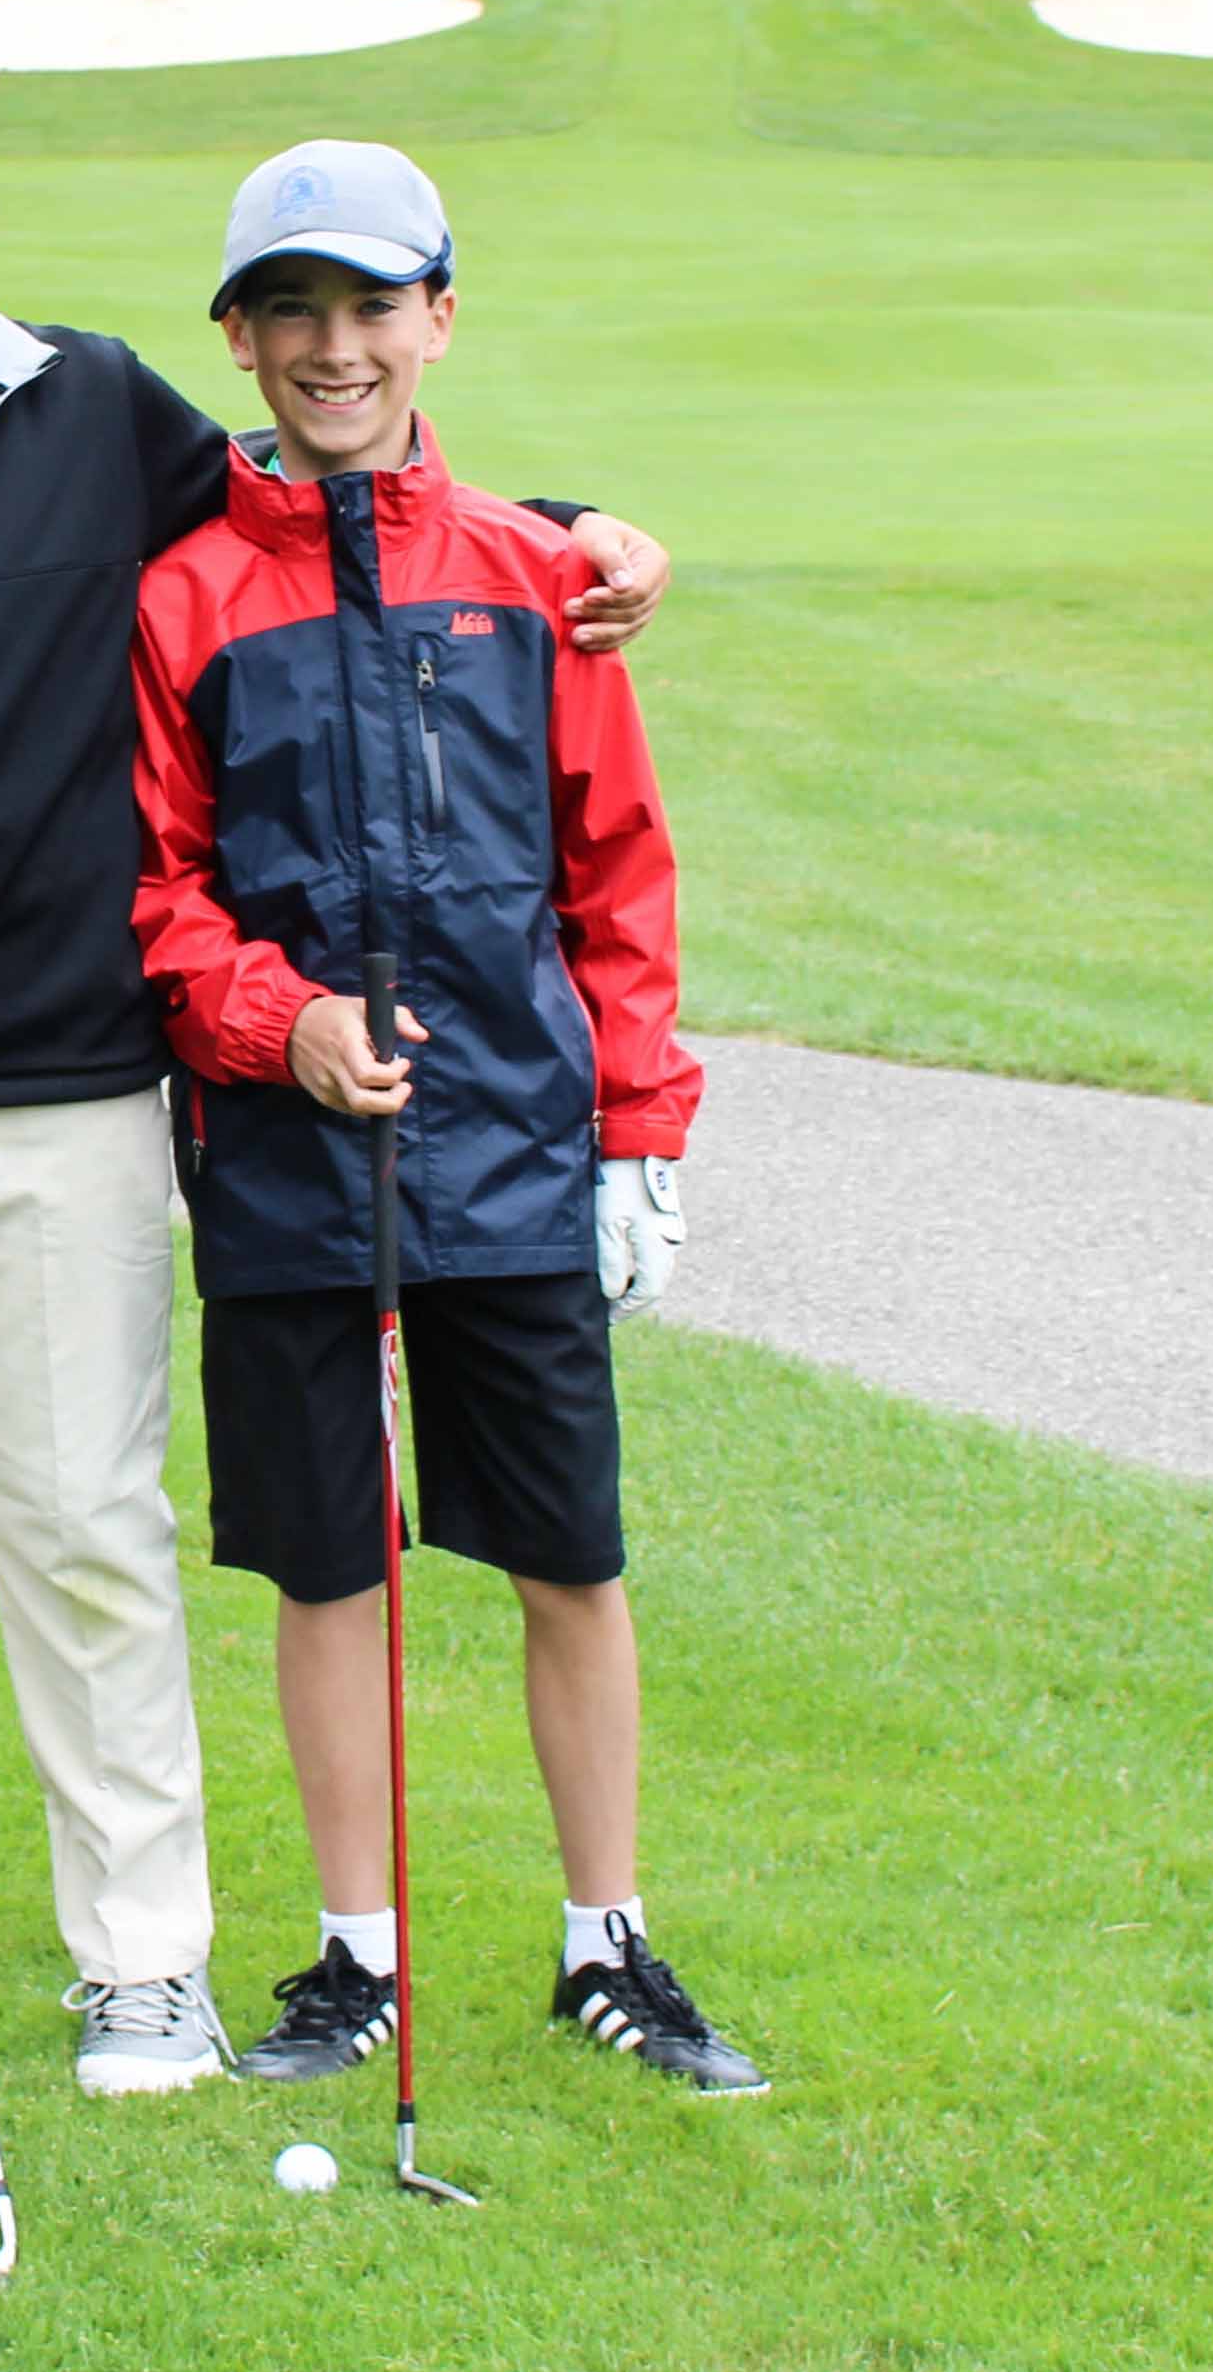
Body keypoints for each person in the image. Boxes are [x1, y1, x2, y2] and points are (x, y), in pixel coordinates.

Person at [0, 2, 682, 2121]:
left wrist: (572, 534)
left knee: (86, 1527)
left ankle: (142, 1962)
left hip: (74, 1089)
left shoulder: (93, 407)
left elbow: (331, 498)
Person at [129, 138, 763, 2099]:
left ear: (439, 320)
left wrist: (639, 1135)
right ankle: (356, 1957)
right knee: (332, 1563)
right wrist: (282, 1025)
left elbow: (615, 872)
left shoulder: (542, 580)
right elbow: (159, 892)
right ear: (236, 338)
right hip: (284, 1151)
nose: (334, 347)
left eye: (372, 305)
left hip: (514, 1135)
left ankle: (606, 1941)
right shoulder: (181, 596)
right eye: (291, 311)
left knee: (569, 1552)